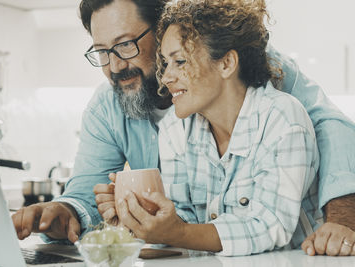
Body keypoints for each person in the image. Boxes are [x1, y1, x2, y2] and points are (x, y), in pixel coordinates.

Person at [11, 0, 355, 256]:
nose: (115, 65)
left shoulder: (258, 77)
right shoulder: (162, 124)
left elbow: (327, 123)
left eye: (126, 44)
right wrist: (80, 213)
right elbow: (177, 216)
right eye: (102, 51)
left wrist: (342, 220)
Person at [115, 0, 320, 255]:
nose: (166, 77)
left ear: (226, 64)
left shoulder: (282, 119)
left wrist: (176, 232)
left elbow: (269, 225)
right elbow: (182, 221)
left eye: (180, 62)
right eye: (165, 63)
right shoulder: (175, 129)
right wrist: (141, 218)